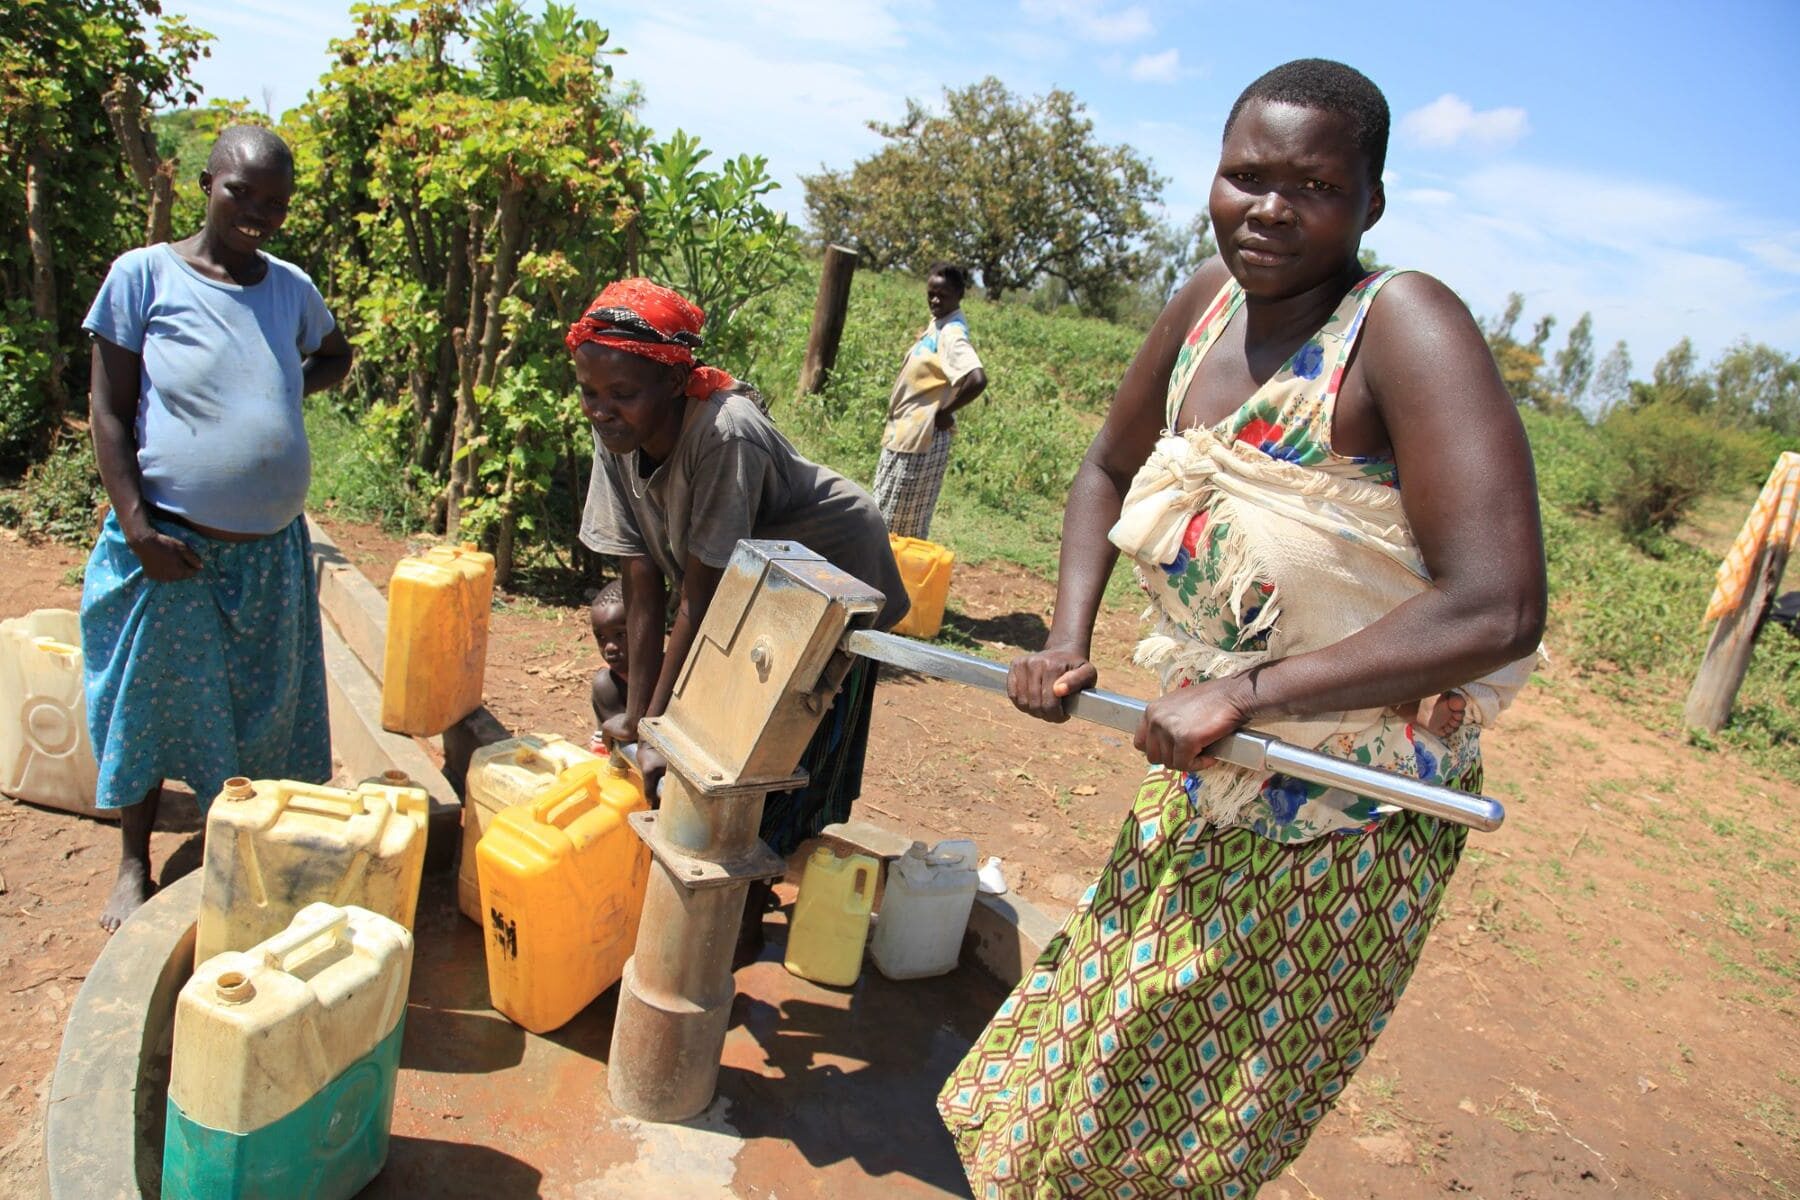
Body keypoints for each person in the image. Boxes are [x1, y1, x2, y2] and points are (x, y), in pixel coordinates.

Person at [937, 59, 1546, 1196]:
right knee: (1082, 1057)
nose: (1267, 208)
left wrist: (1250, 692)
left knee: (1178, 1123)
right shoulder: (1205, 302)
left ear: (1369, 203)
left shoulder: (1401, 326)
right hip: (1211, 775)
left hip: (1346, 824)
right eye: (1243, 177)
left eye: (1310, 185)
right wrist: (1070, 638)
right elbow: (1107, 468)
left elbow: (1499, 604)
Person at [570, 278, 910, 943]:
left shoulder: (726, 432)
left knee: (767, 758)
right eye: (589, 392)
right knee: (686, 740)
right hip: (748, 589)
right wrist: (642, 724)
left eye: (621, 395)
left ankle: (737, 927)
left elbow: (702, 596)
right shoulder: (614, 435)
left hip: (827, 578)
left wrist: (661, 729)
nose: (601, 411)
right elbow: (643, 588)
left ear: (672, 384)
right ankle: (718, 911)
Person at [80, 125, 353, 932]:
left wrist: (280, 391)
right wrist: (137, 530)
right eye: (241, 192)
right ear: (207, 181)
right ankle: (132, 860)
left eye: (275, 203)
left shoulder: (289, 288)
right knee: (149, 706)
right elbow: (106, 411)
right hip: (172, 548)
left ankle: (226, 841)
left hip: (268, 554)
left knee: (259, 711)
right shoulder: (144, 277)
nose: (257, 213)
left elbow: (336, 354)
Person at [871, 263, 988, 540]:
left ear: (959, 295)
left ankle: (892, 580)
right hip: (906, 435)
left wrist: (944, 412)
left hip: (921, 440)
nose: (935, 300)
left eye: (943, 295)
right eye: (931, 293)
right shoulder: (939, 324)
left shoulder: (952, 333)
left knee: (898, 525)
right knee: (884, 514)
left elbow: (977, 378)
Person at [588, 579, 631, 753]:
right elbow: (627, 744)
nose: (610, 647)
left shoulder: (672, 672)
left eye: (620, 634)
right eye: (601, 637)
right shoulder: (607, 684)